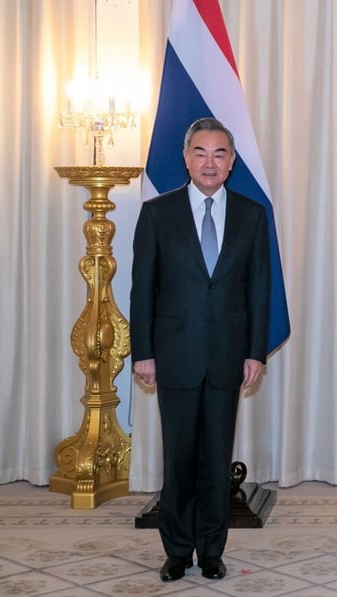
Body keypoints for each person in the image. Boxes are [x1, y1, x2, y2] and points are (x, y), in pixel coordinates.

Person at [130, 117, 270, 582]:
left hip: (229, 357)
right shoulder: (157, 213)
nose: (210, 163)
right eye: (201, 153)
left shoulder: (252, 214)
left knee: (215, 462)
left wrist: (255, 352)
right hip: (174, 356)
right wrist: (143, 352)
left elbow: (259, 290)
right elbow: (142, 289)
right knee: (179, 460)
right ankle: (176, 550)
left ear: (231, 164)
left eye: (220, 154)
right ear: (187, 158)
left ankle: (211, 549)